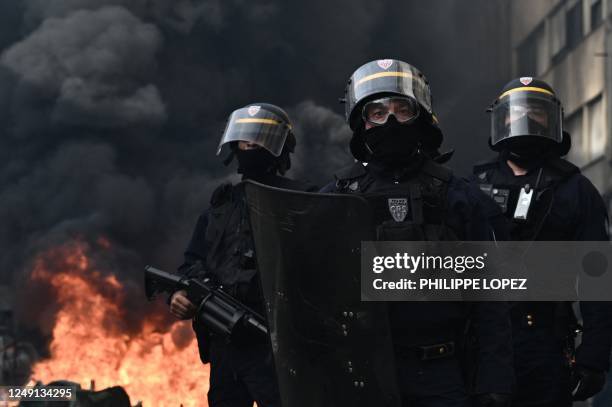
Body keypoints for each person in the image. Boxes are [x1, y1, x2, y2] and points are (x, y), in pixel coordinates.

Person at [323, 58, 514, 407]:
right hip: (360, 374)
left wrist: (494, 381)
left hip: (439, 372)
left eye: (402, 109)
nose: (391, 120)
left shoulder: (458, 196)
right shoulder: (336, 199)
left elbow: (491, 301)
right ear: (361, 123)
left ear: (422, 116)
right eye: (377, 113)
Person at [472, 77, 612, 406]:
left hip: (545, 341)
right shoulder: (472, 186)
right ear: (500, 119)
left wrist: (594, 356)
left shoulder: (576, 189)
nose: (525, 119)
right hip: (483, 340)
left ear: (552, 120)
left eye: (536, 112)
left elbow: (598, 278)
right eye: (516, 112)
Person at [169, 103, 315, 407]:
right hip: (224, 344)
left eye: (260, 139)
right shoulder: (219, 208)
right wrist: (184, 294)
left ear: (279, 148)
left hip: (279, 348)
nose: (251, 146)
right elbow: (192, 262)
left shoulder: (303, 201)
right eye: (245, 140)